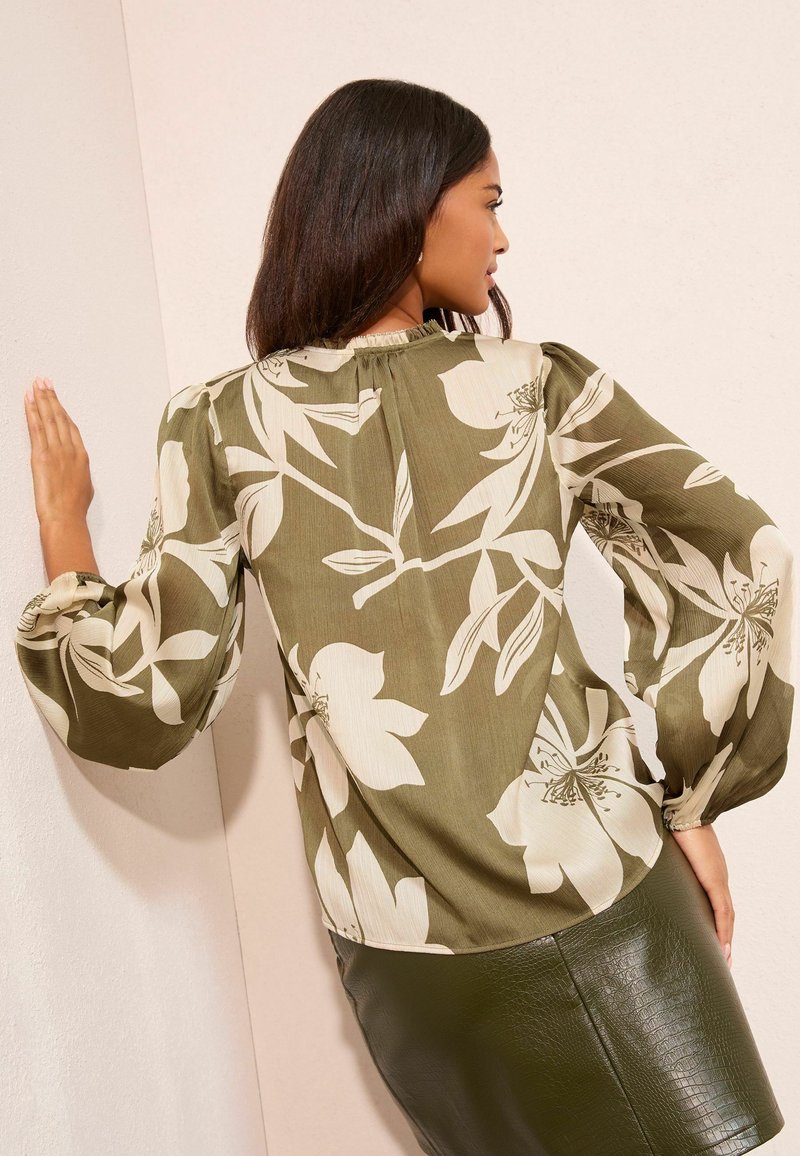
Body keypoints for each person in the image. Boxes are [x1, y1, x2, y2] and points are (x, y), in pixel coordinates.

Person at [16, 78, 794, 1156]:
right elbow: (741, 554)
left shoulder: (223, 423)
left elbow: (144, 692)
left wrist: (65, 535)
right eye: (489, 201)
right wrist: (688, 793)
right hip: (606, 888)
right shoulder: (537, 389)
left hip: (406, 944)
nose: (502, 237)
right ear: (410, 206)